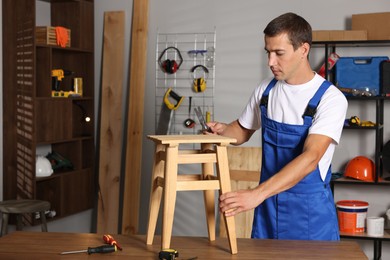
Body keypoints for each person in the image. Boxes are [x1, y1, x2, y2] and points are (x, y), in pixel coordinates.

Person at [207, 12, 348, 240]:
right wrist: (221, 131)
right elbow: (242, 131)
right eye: (268, 53)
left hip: (309, 216)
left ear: (303, 50)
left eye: (279, 53)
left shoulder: (330, 99)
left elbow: (311, 158)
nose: (270, 62)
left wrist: (256, 194)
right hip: (268, 212)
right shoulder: (266, 91)